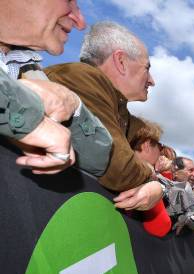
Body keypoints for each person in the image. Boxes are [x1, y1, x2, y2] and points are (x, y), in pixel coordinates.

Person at [45, 21, 162, 211]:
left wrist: (157, 185)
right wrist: (151, 177)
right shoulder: (81, 77)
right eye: (147, 68)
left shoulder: (119, 107)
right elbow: (117, 166)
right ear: (121, 61)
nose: (152, 81)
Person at [0, 0, 115, 177]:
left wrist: (73, 105)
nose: (80, 22)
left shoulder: (31, 70)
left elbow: (97, 160)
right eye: (69, 1)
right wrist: (27, 114)